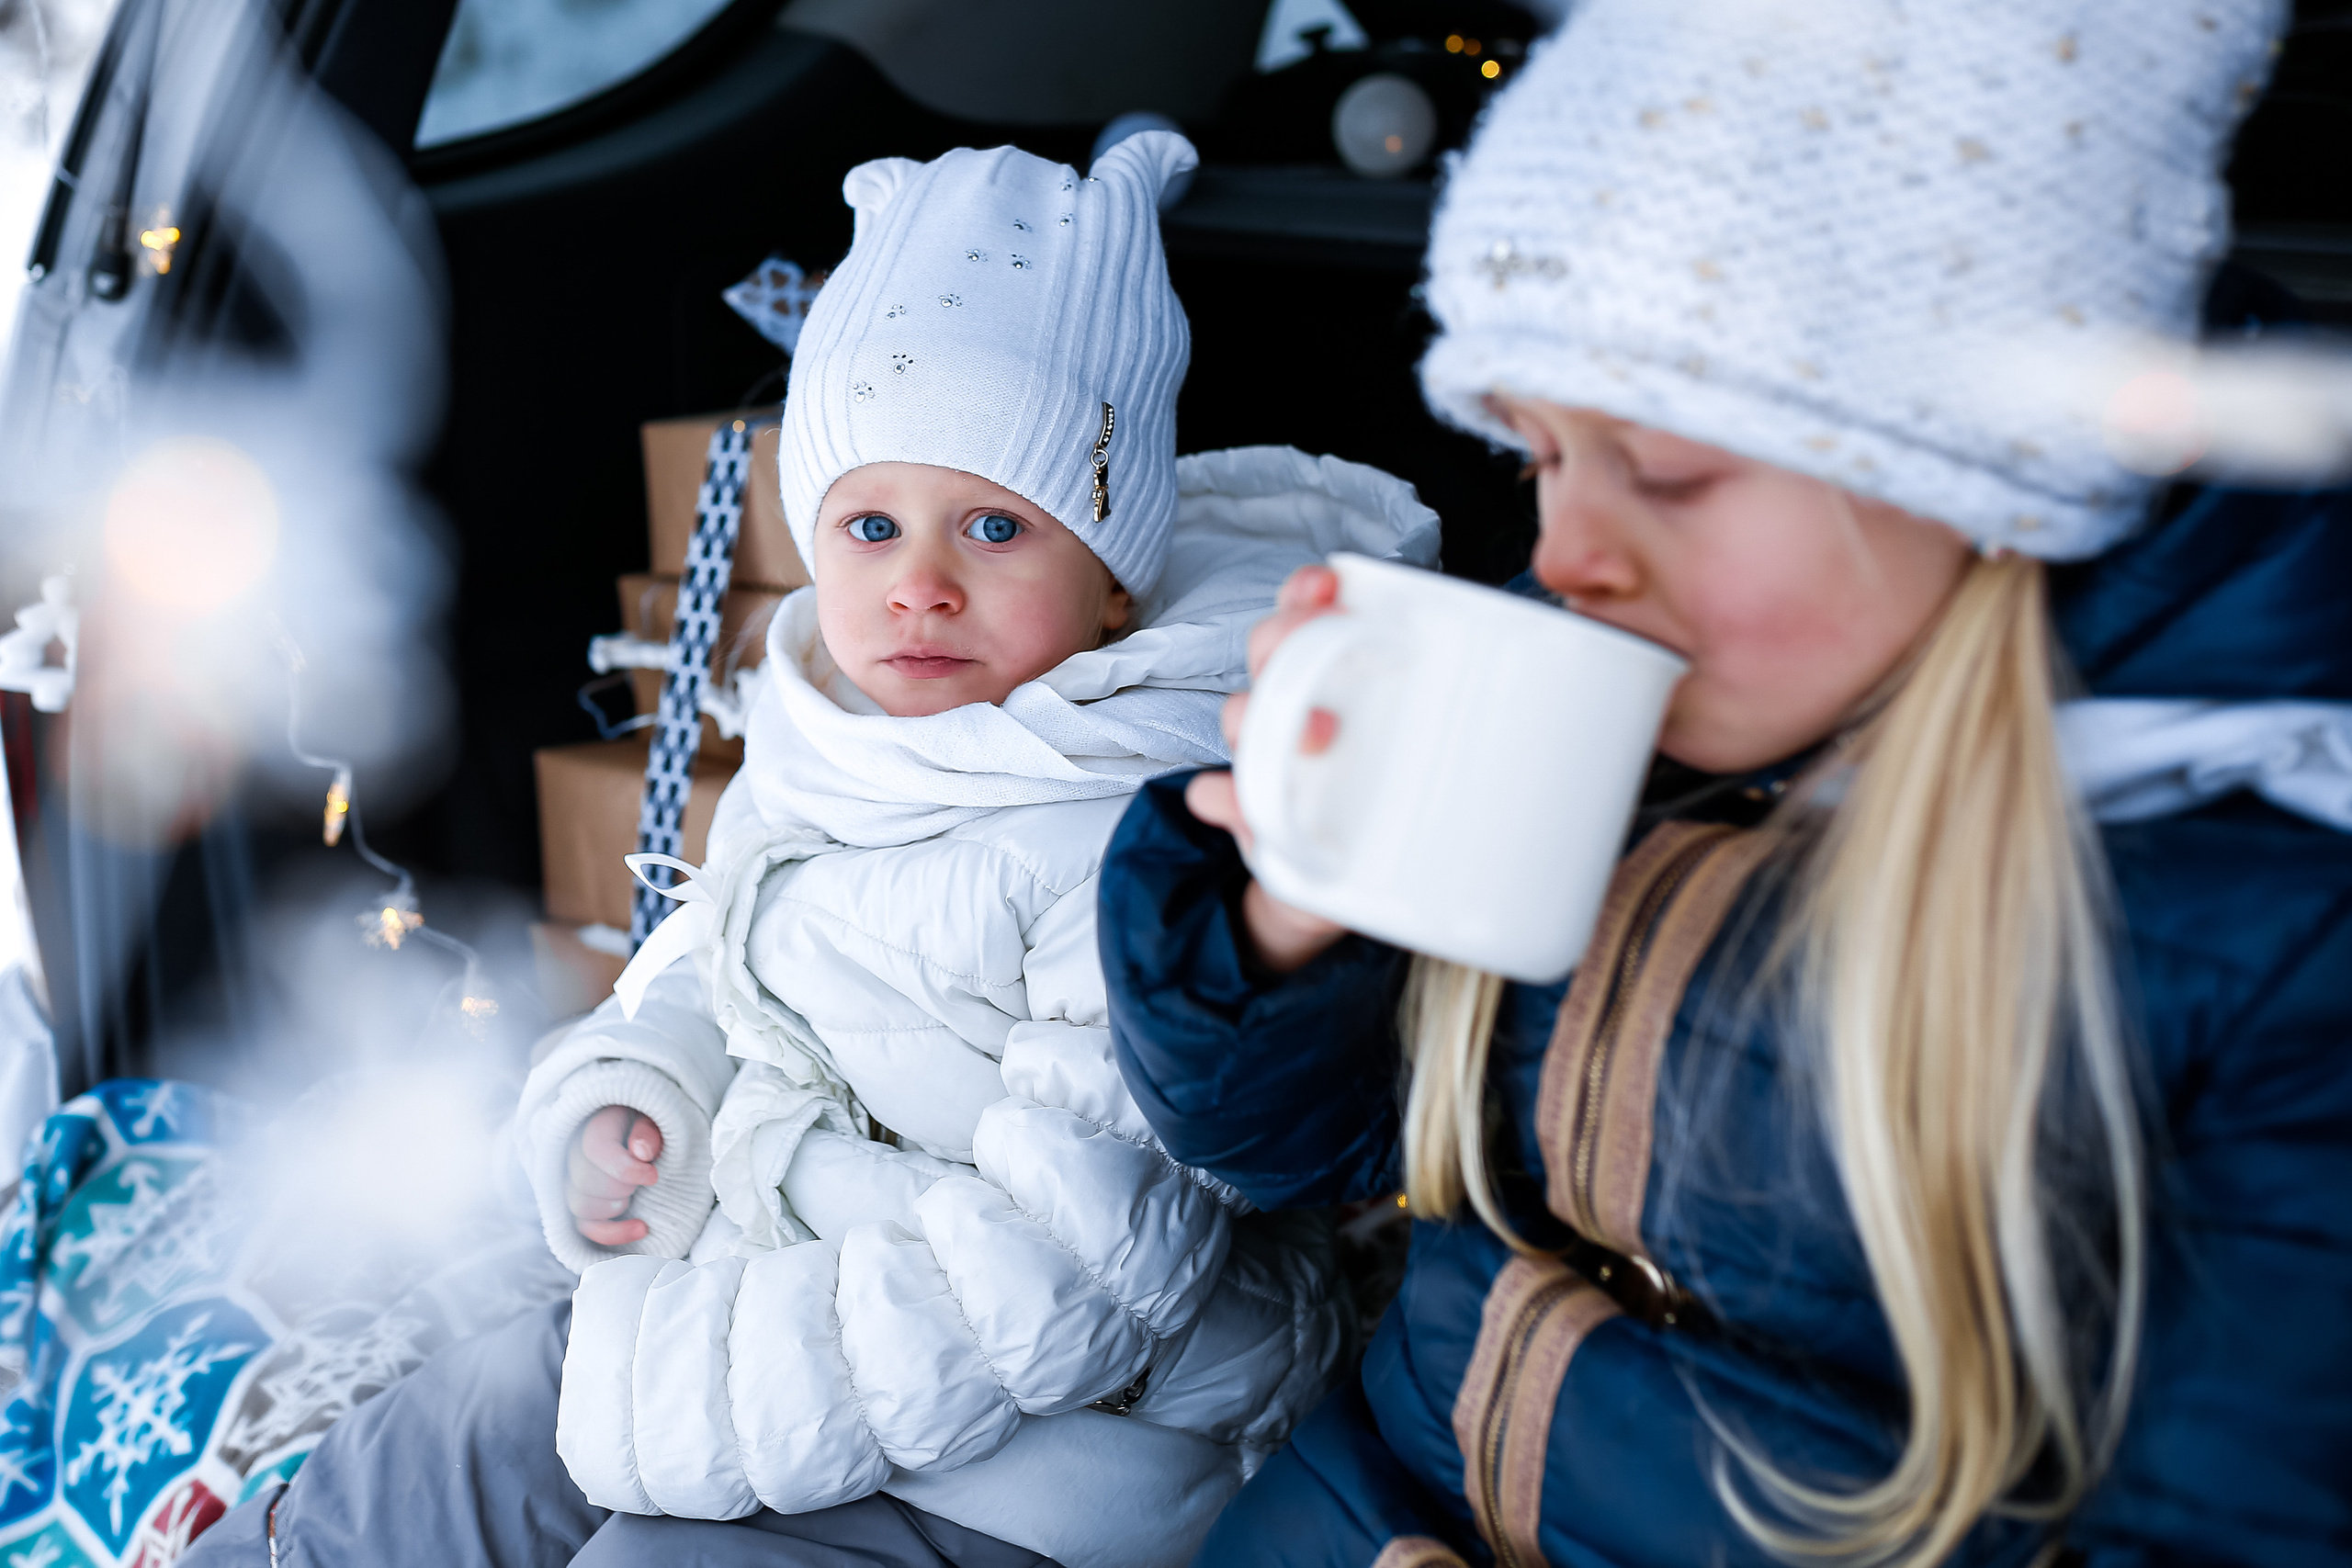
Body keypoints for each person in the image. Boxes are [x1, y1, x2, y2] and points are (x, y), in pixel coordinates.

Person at [1099, 3, 2352, 1565]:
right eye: (1535, 458)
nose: (1563, 552)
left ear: (1982, 461)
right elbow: (1313, 1154)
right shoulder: (1638, 705)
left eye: (1671, 470)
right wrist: (1290, 915)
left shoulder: (2270, 936)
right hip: (1369, 1497)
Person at [182, 133, 1443, 1568]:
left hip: (1051, 1443)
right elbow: (722, 957)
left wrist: (687, 1406)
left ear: (1108, 586)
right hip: (785, 1304)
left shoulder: (1135, 824)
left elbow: (1076, 1266)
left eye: (991, 526)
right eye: (870, 524)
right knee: (445, 1445)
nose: (919, 583)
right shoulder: (840, 734)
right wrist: (635, 1088)